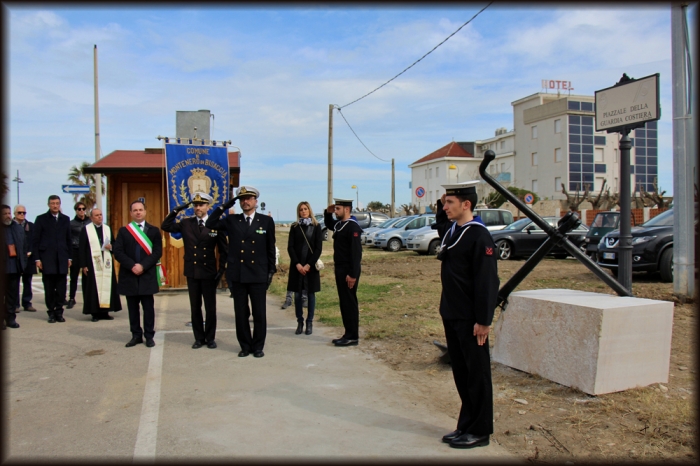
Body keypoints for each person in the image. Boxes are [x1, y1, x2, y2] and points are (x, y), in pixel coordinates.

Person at [433, 181, 499, 450]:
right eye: (445, 202)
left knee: (477, 374)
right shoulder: (453, 230)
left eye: (450, 203)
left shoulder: (479, 236)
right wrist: (440, 204)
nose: (446, 207)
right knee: (461, 372)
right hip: (452, 313)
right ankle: (466, 424)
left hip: (472, 319)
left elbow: (487, 282)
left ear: (466, 204)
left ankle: (480, 431)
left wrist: (484, 320)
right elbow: (441, 226)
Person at [206, 185, 276, 358]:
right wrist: (224, 206)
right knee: (241, 313)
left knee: (259, 313)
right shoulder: (232, 220)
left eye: (249, 198)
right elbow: (210, 223)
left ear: (255, 201)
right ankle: (245, 346)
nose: (246, 201)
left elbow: (270, 248)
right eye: (242, 199)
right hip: (238, 274)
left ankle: (258, 346)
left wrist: (271, 271)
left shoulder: (265, 221)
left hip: (258, 273)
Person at [161, 192, 227, 349]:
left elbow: (224, 250)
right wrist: (176, 210)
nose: (198, 207)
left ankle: (210, 338)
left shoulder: (215, 225)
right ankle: (199, 338)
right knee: (195, 306)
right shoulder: (186, 223)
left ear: (208, 207)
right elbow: (165, 226)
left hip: (209, 272)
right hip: (192, 271)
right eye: (196, 205)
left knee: (210, 308)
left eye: (201, 205)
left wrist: (221, 269)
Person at [113, 200, 163, 348]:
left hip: (147, 274)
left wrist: (143, 265)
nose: (138, 212)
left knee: (148, 308)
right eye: (135, 210)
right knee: (133, 308)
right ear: (131, 213)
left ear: (145, 211)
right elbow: (118, 252)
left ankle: (149, 336)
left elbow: (157, 252)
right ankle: (136, 335)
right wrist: (132, 266)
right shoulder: (124, 231)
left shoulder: (153, 231)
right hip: (129, 274)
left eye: (140, 210)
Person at [323, 198, 362, 347]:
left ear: (347, 209)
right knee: (344, 302)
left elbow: (356, 254)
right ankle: (348, 333)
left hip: (348, 270)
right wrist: (328, 212)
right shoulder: (341, 224)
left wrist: (352, 274)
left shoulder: (352, 227)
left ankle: (352, 336)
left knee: (349, 303)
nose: (335, 211)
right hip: (340, 269)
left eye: (338, 209)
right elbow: (329, 224)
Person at [32, 195, 73, 323]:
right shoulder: (41, 219)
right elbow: (35, 240)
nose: (55, 205)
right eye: (52, 203)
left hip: (61, 258)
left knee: (61, 288)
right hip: (47, 258)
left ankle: (59, 312)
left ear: (60, 204)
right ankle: (51, 312)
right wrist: (37, 259)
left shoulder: (65, 219)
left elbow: (68, 239)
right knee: (49, 288)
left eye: (57, 203)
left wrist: (69, 257)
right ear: (48, 204)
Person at [78, 208, 121, 321]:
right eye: (96, 215)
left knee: (107, 286)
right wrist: (83, 265)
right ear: (91, 218)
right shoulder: (86, 230)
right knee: (94, 288)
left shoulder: (107, 229)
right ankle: (95, 313)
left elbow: (114, 243)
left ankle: (105, 312)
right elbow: (81, 248)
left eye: (101, 215)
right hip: (92, 263)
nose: (99, 217)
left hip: (106, 262)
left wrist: (111, 247)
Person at [287, 201, 322, 335]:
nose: (303, 211)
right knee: (297, 295)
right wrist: (297, 264)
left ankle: (309, 322)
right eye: (301, 209)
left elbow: (318, 248)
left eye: (305, 209)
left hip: (310, 266)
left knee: (311, 294)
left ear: (309, 210)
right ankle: (300, 321)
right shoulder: (295, 227)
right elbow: (290, 247)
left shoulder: (316, 226)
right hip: (297, 266)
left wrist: (308, 265)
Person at [3, 204, 27, 329]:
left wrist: (23, 264)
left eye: (8, 213)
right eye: (4, 214)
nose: (7, 216)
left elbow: (23, 248)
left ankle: (10, 318)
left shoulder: (17, 228)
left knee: (12, 295)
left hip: (14, 267)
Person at [68, 201, 91, 309]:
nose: (81, 211)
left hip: (88, 251)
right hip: (75, 250)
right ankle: (72, 298)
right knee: (74, 275)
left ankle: (88, 298)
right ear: (76, 211)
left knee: (87, 276)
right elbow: (68, 239)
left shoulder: (90, 222)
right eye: (79, 209)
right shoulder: (71, 223)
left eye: (83, 209)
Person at [13, 205, 37, 312]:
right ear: (15, 214)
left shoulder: (30, 226)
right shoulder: (10, 226)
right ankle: (15, 305)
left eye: (24, 213)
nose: (22, 215)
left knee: (27, 281)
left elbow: (34, 240)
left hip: (28, 258)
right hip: (15, 258)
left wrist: (30, 251)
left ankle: (27, 303)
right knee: (14, 282)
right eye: (19, 213)